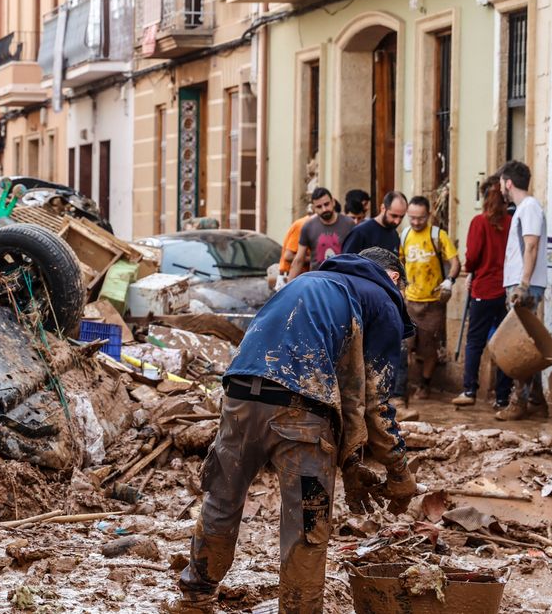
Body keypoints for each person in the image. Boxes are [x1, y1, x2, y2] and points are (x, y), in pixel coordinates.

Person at [165, 248, 418, 614]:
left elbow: (347, 390)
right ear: (394, 278)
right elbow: (375, 403)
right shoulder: (383, 299)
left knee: (221, 499)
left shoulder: (307, 281)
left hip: (238, 396)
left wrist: (350, 462)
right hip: (302, 414)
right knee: (308, 523)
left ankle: (194, 599)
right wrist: (399, 472)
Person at [495, 160, 550, 421]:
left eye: (501, 183)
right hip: (521, 284)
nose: (500, 189)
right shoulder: (523, 209)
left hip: (523, 286)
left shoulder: (529, 207)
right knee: (528, 344)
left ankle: (519, 402)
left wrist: (523, 285)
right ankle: (537, 401)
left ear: (508, 183)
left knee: (519, 346)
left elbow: (531, 246)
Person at [453, 176, 512, 407]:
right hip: (506, 291)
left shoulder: (479, 222)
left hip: (484, 290)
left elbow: (473, 256)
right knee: (505, 343)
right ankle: (503, 397)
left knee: (475, 342)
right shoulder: (511, 222)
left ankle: (469, 391)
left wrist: (469, 270)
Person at [399, 196, 461, 403]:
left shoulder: (438, 235)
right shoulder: (404, 235)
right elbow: (398, 262)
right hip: (409, 301)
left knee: (429, 347)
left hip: (433, 302)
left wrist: (449, 281)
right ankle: (402, 386)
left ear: (429, 215)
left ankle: (425, 383)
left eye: (420, 218)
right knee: (404, 345)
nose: (416, 222)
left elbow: (455, 262)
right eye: (412, 218)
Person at [286, 188, 355, 282]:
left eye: (326, 204)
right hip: (317, 281)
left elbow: (356, 256)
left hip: (343, 280)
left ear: (333, 202)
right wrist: (289, 287)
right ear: (314, 209)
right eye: (319, 206)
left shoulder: (349, 224)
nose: (324, 209)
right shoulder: (308, 227)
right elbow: (299, 260)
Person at [342, 190, 408, 255]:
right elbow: (345, 261)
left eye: (401, 217)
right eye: (394, 216)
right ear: (383, 208)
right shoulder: (360, 232)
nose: (397, 221)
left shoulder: (394, 235)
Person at [276, 209, 313, 291]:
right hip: (289, 278)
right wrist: (314, 259)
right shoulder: (303, 225)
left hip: (298, 278)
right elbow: (288, 256)